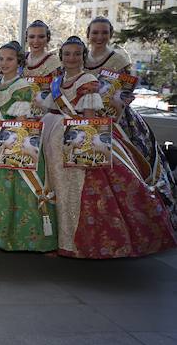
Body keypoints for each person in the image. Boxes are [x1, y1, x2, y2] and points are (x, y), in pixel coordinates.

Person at [41, 36, 175, 258]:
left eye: (76, 53)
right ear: (61, 57)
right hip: (51, 136)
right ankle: (54, 238)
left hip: (75, 138)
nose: (71, 58)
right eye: (66, 54)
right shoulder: (57, 81)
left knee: (76, 190)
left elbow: (89, 119)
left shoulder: (88, 81)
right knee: (54, 187)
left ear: (83, 56)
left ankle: (74, 242)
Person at [83, 17, 177, 229]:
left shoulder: (118, 60)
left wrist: (123, 98)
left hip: (117, 119)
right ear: (88, 34)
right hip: (87, 116)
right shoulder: (81, 58)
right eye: (95, 32)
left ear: (110, 34)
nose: (99, 37)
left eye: (104, 32)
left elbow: (127, 89)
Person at [0, 41, 57, 252]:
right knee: (0, 193)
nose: (4, 63)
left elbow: (21, 123)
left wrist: (9, 145)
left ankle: (29, 240)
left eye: (9, 59)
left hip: (16, 146)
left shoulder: (23, 87)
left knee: (21, 192)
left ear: (19, 62)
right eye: (0, 58)